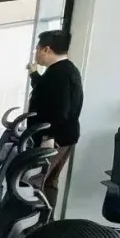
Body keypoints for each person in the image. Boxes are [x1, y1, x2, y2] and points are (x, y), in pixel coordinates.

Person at [27, 29, 84, 214]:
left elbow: (60, 109)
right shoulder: (64, 70)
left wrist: (49, 137)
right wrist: (34, 74)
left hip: (54, 138)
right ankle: (46, 222)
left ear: (47, 49)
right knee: (49, 182)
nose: (36, 53)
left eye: (37, 49)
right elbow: (46, 93)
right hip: (63, 136)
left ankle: (33, 223)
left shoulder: (60, 73)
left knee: (36, 182)